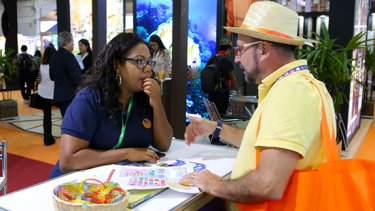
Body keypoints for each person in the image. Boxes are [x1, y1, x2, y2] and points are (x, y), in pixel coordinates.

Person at [181, 1, 336, 207]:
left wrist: (216, 185)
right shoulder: (300, 86)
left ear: (263, 49)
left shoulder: (291, 92)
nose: (236, 59)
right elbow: (261, 142)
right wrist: (214, 128)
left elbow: (267, 184)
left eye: (240, 49)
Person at [49, 32, 173, 178]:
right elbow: (68, 161)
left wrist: (157, 103)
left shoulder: (143, 98)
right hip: (77, 185)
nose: (147, 69)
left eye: (149, 62)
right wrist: (127, 153)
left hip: (118, 183)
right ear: (117, 66)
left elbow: (164, 144)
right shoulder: (89, 99)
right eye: (140, 61)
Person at [49, 31, 82, 117]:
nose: (73, 44)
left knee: (66, 119)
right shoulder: (69, 56)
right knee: (73, 121)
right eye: (72, 42)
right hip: (70, 95)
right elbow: (76, 77)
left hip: (59, 95)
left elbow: (51, 76)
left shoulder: (54, 56)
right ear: (67, 42)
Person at [37, 45, 57, 146]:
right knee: (64, 115)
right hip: (54, 94)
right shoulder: (55, 65)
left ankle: (47, 139)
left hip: (43, 94)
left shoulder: (42, 65)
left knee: (47, 117)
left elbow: (40, 79)